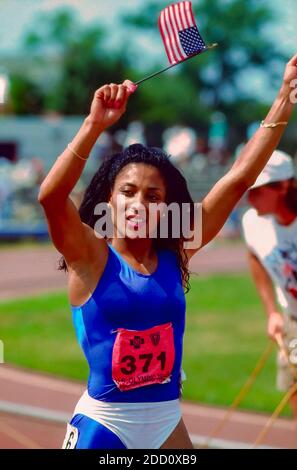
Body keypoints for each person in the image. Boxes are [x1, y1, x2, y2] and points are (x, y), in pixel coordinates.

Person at [38, 54, 297, 449]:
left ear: (166, 207)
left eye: (153, 196)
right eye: (127, 192)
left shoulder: (177, 252)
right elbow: (52, 196)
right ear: (109, 200)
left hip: (165, 423)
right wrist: (93, 125)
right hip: (106, 425)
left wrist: (285, 95)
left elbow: (240, 176)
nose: (140, 203)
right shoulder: (90, 255)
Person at [241, 149, 297, 421]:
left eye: (257, 189)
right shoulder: (252, 223)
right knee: (294, 391)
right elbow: (254, 255)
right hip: (292, 321)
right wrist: (272, 311)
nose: (248, 197)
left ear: (284, 186)